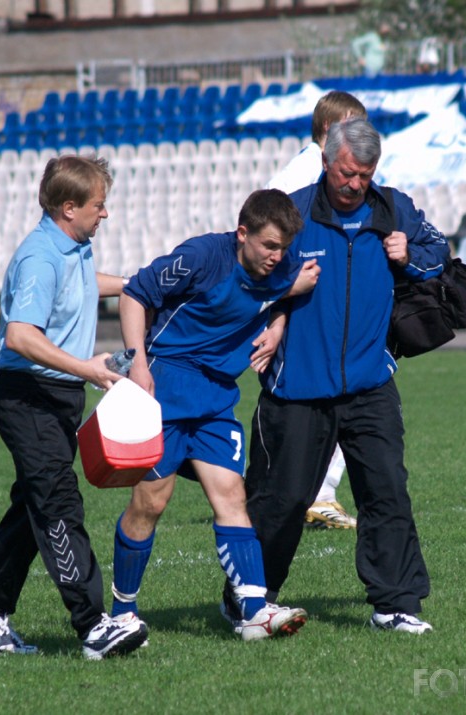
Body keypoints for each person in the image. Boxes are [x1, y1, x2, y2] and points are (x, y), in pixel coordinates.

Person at [232, 119, 450, 634]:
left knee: (386, 490)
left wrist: (411, 254)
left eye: (365, 175)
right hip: (298, 387)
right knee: (281, 501)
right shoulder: (294, 212)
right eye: (347, 173)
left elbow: (438, 251)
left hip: (371, 384)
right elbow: (249, 271)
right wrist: (282, 307)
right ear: (327, 162)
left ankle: (395, 603)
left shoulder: (394, 207)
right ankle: (250, 600)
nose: (355, 184)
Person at [0, 155, 149, 660]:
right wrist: (86, 368)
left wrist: (136, 285)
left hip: (56, 397)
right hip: (28, 396)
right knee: (58, 503)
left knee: (32, 507)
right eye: (98, 205)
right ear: (69, 207)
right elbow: (20, 336)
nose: (104, 214)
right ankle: (92, 625)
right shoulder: (40, 257)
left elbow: (86, 284)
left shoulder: (75, 245)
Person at [111, 189, 320, 641]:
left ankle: (253, 612)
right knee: (151, 502)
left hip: (217, 396)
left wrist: (280, 320)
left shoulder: (282, 264)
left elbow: (282, 289)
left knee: (230, 494)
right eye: (267, 245)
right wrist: (138, 363)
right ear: (242, 233)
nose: (276, 256)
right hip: (165, 385)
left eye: (283, 248)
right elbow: (134, 294)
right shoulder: (202, 257)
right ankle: (121, 611)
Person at [266, 89, 367, 530]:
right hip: (310, 303)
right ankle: (316, 494)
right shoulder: (309, 172)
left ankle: (300, 490)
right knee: (334, 395)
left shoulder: (313, 167)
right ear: (330, 128)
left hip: (312, 300)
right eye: (353, 125)